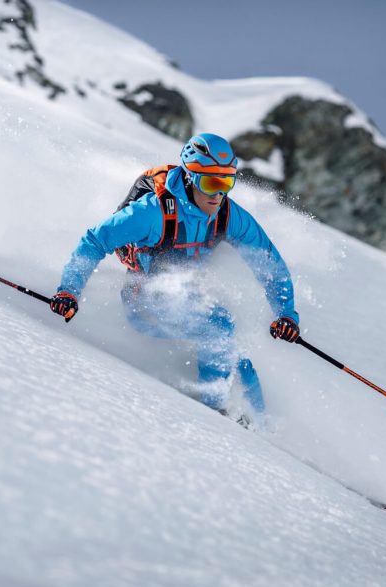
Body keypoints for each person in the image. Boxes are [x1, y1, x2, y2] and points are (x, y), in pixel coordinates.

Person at [50, 133, 300, 425]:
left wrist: (286, 314)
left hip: (185, 297)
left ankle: (263, 427)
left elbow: (269, 263)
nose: (218, 195)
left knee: (235, 351)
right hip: (142, 301)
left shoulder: (228, 215)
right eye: (211, 183)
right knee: (220, 331)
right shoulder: (152, 213)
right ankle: (217, 421)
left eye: (227, 183)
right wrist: (69, 291)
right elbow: (95, 241)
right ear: (191, 177)